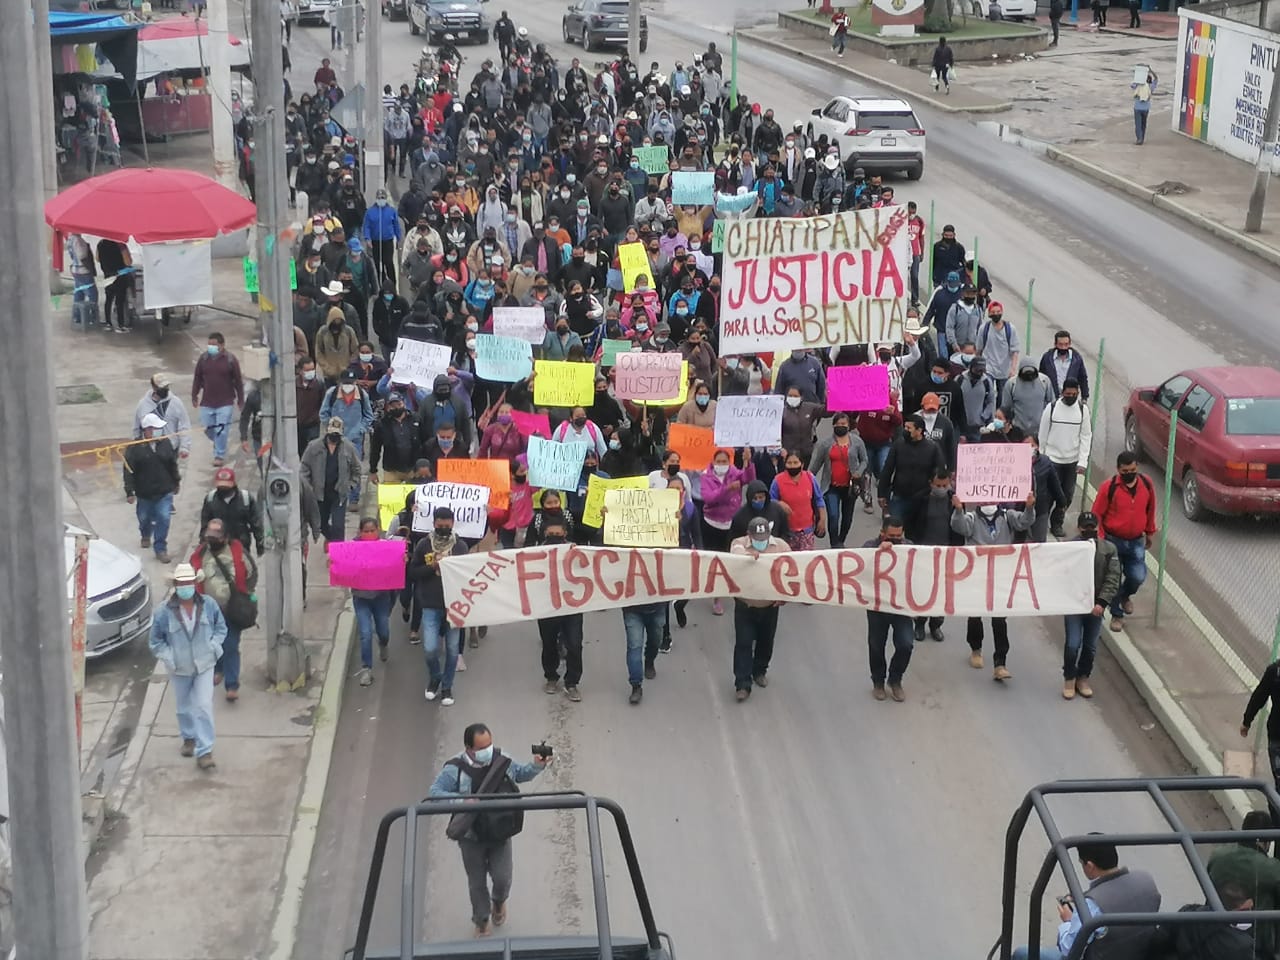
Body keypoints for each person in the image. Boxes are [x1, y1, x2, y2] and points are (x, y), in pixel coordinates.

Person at [428, 722, 550, 938]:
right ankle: (482, 920)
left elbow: (520, 773)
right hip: (471, 837)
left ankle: (499, 903)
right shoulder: (454, 769)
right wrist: (463, 801)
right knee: (476, 883)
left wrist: (537, 766)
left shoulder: (501, 759)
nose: (487, 751)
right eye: (482, 748)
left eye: (489, 745)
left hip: (499, 833)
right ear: (468, 747)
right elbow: (435, 793)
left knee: (503, 879)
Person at [1012, 838, 1161, 960]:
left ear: (1089, 866)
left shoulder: (1092, 905)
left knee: (1022, 954)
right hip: (1137, 953)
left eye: (1081, 862)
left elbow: (1068, 949)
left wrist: (1069, 921)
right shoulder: (1146, 880)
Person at [149, 563, 226, 771]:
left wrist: (213, 645)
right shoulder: (163, 612)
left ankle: (205, 751)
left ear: (195, 583)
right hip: (179, 668)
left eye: (189, 583)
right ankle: (189, 736)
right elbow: (156, 641)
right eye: (182, 583)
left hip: (205, 664)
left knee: (203, 705)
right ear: (175, 585)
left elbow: (221, 628)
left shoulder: (208, 605)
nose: (186, 587)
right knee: (184, 707)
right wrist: (169, 656)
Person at [951, 492, 1036, 681]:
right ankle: (975, 649)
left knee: (999, 619)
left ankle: (1000, 663)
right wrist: (958, 509)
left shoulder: (1008, 516)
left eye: (992, 498)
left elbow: (1025, 522)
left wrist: (1029, 506)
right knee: (975, 615)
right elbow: (958, 527)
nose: (989, 502)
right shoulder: (971, 518)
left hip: (1000, 577)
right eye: (985, 499)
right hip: (977, 575)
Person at [189, 518, 258, 704]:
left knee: (230, 646)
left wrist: (245, 594)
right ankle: (218, 670)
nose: (212, 539)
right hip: (208, 610)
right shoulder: (200, 554)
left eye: (216, 535)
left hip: (232, 610)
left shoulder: (237, 552)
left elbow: (252, 574)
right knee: (213, 644)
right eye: (209, 535)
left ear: (226, 537)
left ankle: (232, 685)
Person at [409, 506, 469, 705]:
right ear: (434, 523)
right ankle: (435, 676)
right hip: (430, 604)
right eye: (439, 523)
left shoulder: (460, 547)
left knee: (453, 650)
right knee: (430, 648)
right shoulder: (424, 545)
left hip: (454, 607)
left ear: (452, 523)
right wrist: (431, 567)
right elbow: (412, 572)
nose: (443, 526)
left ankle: (446, 687)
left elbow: (469, 575)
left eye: (447, 523)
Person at [1091, 452, 1156, 632]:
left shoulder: (1147, 485)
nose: (1130, 473)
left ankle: (1124, 596)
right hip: (1113, 541)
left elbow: (1150, 509)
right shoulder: (1109, 488)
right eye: (1126, 470)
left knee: (1137, 576)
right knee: (1113, 578)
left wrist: (1150, 531)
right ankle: (1117, 615)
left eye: (1133, 470)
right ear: (1119, 470)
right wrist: (1101, 539)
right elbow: (1097, 514)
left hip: (1136, 541)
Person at [728, 517, 789, 702]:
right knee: (744, 643)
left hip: (769, 606)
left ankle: (760, 670)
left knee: (766, 641)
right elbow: (735, 555)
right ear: (749, 535)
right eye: (757, 538)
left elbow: (793, 571)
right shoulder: (739, 544)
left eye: (764, 537)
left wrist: (785, 596)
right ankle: (742, 683)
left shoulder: (781, 547)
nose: (761, 541)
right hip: (745, 605)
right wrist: (749, 557)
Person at [1206, 810, 1280, 959]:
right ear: (1265, 842)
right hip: (1253, 949)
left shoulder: (1218, 855)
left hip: (1211, 936)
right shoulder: (1270, 868)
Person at [1062, 512, 1121, 700]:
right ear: (1079, 528)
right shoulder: (1070, 548)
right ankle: (1069, 678)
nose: (1089, 530)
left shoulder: (1109, 549)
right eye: (1085, 527)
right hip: (1075, 606)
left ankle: (1083, 677)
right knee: (1072, 644)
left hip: (1096, 607)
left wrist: (1102, 603)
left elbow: (1113, 577)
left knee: (1090, 646)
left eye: (1092, 527)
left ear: (1097, 527)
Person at [863, 516, 915, 702]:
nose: (895, 540)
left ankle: (895, 679)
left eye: (898, 536)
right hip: (877, 606)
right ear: (882, 533)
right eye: (891, 536)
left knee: (906, 644)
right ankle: (878, 681)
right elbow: (860, 569)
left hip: (900, 606)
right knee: (876, 645)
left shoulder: (909, 547)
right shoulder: (869, 547)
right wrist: (879, 553)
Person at [536, 516, 585, 700]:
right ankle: (551, 676)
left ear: (565, 533)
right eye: (552, 533)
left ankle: (572, 683)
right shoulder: (536, 551)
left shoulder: (576, 550)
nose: (555, 536)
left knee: (575, 644)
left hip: (571, 605)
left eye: (559, 533)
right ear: (545, 533)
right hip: (547, 605)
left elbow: (587, 568)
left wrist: (577, 555)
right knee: (548, 643)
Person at [877, 414, 945, 543]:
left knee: (918, 534)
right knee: (892, 533)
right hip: (899, 497)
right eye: (905, 427)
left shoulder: (932, 448)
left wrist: (934, 491)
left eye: (909, 428)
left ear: (919, 431)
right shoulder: (898, 445)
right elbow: (887, 470)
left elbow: (939, 472)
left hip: (923, 499)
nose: (905, 430)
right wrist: (881, 494)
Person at [1148, 881, 1256, 960]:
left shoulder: (1186, 914)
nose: (1251, 913)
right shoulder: (1243, 945)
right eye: (1246, 909)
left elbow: (1157, 942)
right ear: (1233, 911)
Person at [125, 414, 182, 563]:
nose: (160, 431)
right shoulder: (134, 448)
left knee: (164, 517)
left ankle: (160, 548)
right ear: (147, 430)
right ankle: (145, 534)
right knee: (144, 517)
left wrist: (176, 482)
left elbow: (172, 465)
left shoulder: (165, 443)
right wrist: (129, 491)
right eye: (156, 428)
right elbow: (128, 470)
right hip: (144, 493)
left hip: (164, 491)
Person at [1039, 378, 1092, 538]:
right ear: (1062, 392)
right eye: (1068, 394)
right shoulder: (1052, 408)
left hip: (1071, 462)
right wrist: (1042, 456)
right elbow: (1043, 434)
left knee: (1067, 496)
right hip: (1051, 460)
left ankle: (1057, 523)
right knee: (1047, 495)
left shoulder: (1083, 411)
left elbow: (1086, 436)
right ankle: (1042, 522)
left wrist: (1082, 461)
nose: (1071, 396)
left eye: (1074, 394)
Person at [809, 412, 868, 548]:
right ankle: (834, 544)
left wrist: (858, 472)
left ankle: (841, 540)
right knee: (834, 517)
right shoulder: (825, 444)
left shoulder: (857, 442)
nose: (841, 426)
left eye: (844, 424)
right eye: (838, 424)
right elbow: (815, 465)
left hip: (850, 487)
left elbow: (864, 460)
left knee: (847, 520)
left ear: (848, 426)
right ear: (833, 425)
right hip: (831, 487)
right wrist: (808, 481)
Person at [300, 417, 363, 544]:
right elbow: (304, 467)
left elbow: (357, 468)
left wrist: (351, 485)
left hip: (339, 494)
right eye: (332, 433)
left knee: (339, 526)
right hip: (319, 494)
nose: (334, 436)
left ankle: (338, 552)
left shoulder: (348, 447)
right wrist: (308, 487)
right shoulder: (313, 447)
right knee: (320, 524)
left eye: (337, 434)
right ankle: (331, 540)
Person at [192, 332, 245, 466]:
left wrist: (240, 400)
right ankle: (218, 443)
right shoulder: (203, 359)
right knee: (209, 428)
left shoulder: (231, 360)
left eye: (214, 345)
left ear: (222, 345)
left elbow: (238, 381)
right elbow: (197, 378)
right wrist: (194, 395)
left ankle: (219, 455)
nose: (211, 347)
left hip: (225, 402)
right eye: (209, 344)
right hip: (207, 402)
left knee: (221, 430)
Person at [200, 466, 265, 555]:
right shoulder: (210, 500)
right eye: (221, 486)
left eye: (226, 486)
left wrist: (260, 543)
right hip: (217, 548)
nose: (223, 489)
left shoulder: (246, 499)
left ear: (233, 484)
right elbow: (205, 525)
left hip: (241, 546)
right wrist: (202, 546)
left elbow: (256, 523)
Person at [769, 451, 826, 551]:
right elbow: (770, 501)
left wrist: (822, 519)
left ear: (802, 464)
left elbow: (819, 499)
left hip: (807, 531)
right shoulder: (778, 480)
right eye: (789, 463)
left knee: (806, 562)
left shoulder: (810, 478)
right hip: (787, 531)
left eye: (796, 463)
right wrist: (779, 503)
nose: (792, 466)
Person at [132, 373, 192, 459]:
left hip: (171, 449)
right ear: (154, 387)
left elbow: (184, 425)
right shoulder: (142, 405)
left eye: (166, 386)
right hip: (149, 451)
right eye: (162, 387)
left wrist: (185, 447)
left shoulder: (176, 402)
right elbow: (136, 427)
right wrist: (136, 447)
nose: (165, 389)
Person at [1242, 664, 1280, 792]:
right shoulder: (1274, 672)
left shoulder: (1275, 672)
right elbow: (1259, 696)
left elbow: (1259, 696)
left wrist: (1247, 721)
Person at [1039, 330, 1090, 401]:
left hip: (1070, 398)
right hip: (1051, 398)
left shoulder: (1077, 359)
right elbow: (1041, 378)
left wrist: (1084, 397)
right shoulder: (1047, 358)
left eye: (1066, 344)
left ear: (1069, 344)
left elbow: (1083, 378)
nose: (1063, 347)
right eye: (1060, 344)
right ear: (1055, 344)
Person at [1132, 67, 1157, 145]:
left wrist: (1139, 73)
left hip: (1137, 108)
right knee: (1143, 124)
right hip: (1146, 109)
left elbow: (1132, 85)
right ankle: (1141, 138)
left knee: (1138, 124)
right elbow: (1156, 78)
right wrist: (1151, 70)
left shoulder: (1138, 85)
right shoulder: (1150, 87)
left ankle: (1139, 139)